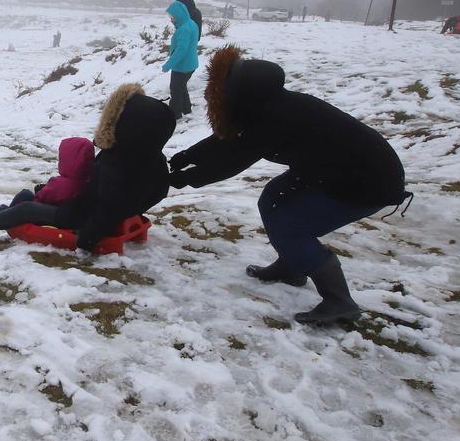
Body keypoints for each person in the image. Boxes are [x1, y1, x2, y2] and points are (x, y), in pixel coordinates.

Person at [167, 46, 408, 326]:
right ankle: (292, 266)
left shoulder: (276, 117)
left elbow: (232, 162)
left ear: (244, 95)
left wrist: (186, 178)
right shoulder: (269, 107)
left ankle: (339, 300)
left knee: (289, 223)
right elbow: (231, 140)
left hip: (367, 181)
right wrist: (188, 156)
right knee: (272, 198)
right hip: (332, 170)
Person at [0, 84, 174, 252]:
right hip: (90, 208)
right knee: (34, 197)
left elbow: (109, 206)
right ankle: (5, 215)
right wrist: (134, 208)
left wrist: (89, 236)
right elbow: (159, 190)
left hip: (82, 216)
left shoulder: (117, 162)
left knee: (26, 208)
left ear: (130, 128)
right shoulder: (151, 157)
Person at [1, 137, 93, 210]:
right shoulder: (90, 181)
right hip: (63, 212)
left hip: (42, 214)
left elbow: (43, 197)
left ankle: (7, 213)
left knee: (25, 194)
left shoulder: (62, 184)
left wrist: (40, 191)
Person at [162, 0, 200, 120]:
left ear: (179, 15)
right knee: (181, 86)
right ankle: (186, 108)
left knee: (175, 89)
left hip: (182, 66)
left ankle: (174, 114)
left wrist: (168, 64)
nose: (171, 19)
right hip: (190, 64)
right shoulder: (191, 23)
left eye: (172, 16)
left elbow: (181, 51)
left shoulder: (184, 29)